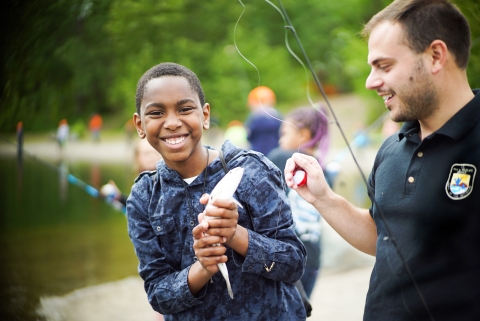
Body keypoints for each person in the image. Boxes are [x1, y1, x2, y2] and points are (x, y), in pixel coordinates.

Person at [285, 0, 479, 320]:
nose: (370, 81)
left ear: (436, 56)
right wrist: (323, 198)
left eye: (384, 66)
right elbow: (384, 236)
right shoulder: (391, 149)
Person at [126, 62, 307, 320]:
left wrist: (235, 235)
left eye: (185, 109)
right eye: (156, 113)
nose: (173, 122)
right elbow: (157, 294)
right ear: (140, 125)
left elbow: (294, 264)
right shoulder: (144, 197)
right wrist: (203, 267)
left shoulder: (251, 170)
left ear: (205, 115)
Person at [267, 105, 331, 298]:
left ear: (302, 135)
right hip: (312, 258)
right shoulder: (322, 169)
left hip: (288, 257)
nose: (280, 141)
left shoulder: (282, 157)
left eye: (284, 134)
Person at [244, 86, 282, 156]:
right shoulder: (277, 114)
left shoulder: (254, 117)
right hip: (276, 153)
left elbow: (248, 135)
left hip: (258, 155)